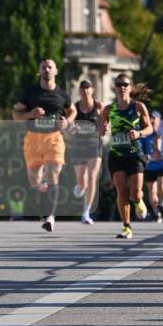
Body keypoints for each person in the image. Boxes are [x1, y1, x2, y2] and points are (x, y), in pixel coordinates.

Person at [13, 58, 76, 232]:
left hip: (54, 138)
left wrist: (68, 121)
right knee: (34, 179)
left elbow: (73, 111)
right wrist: (30, 114)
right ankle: (41, 187)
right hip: (33, 138)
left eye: (50, 67)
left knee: (54, 174)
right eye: (43, 67)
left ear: (56, 71)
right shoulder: (31, 93)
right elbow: (15, 114)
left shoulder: (62, 94)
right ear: (39, 72)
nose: (46, 70)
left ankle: (50, 217)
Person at [98, 74, 152, 240]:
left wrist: (139, 133)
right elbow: (100, 131)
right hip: (117, 154)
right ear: (115, 88)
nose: (122, 87)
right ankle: (127, 227)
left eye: (125, 84)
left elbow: (149, 128)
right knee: (121, 189)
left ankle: (138, 201)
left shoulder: (138, 107)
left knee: (135, 193)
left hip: (135, 153)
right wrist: (103, 128)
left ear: (130, 87)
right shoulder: (108, 109)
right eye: (119, 84)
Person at [68, 79, 103, 225]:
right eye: (83, 89)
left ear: (92, 90)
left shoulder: (99, 106)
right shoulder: (75, 107)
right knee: (82, 181)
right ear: (79, 91)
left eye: (88, 88)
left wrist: (103, 127)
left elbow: (105, 123)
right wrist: (72, 129)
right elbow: (68, 127)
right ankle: (80, 186)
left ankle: (86, 212)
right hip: (79, 146)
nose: (86, 91)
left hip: (94, 146)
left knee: (92, 177)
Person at [142, 111, 163, 222]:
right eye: (150, 118)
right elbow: (140, 150)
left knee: (162, 185)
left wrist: (162, 154)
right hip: (149, 166)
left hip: (161, 165)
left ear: (159, 120)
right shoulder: (146, 134)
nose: (152, 121)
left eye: (154, 118)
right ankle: (157, 213)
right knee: (152, 190)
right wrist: (144, 157)